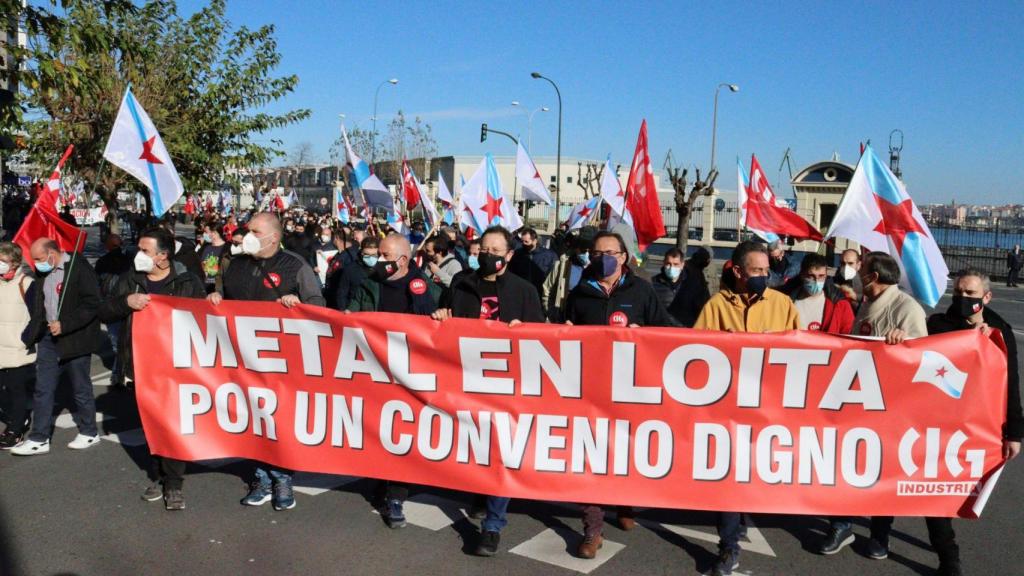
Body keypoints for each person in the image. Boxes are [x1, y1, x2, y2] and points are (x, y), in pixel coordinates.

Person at [432, 226, 544, 556]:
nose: (489, 255)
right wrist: (440, 316)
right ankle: (480, 495)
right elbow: (444, 318)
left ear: (509, 255)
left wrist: (525, 331)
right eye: (485, 249)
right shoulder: (461, 282)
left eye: (497, 250)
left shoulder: (524, 290)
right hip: (466, 380)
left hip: (507, 385)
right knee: (475, 446)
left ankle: (493, 525)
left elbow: (541, 334)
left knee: (501, 451)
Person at [564, 231, 676, 559]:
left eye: (609, 252)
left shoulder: (642, 291)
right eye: (596, 253)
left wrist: (647, 336)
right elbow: (560, 331)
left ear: (624, 256)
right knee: (590, 458)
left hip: (630, 391)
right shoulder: (579, 293)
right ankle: (592, 529)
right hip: (590, 391)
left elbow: (667, 333)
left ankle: (625, 501)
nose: (602, 259)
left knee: (624, 454)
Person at [694, 241, 800, 576]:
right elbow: (695, 353)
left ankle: (740, 519)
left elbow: (804, 356)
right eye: (757, 271)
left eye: (767, 271)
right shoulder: (716, 306)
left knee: (751, 475)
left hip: (768, 411)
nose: (764, 276)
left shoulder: (783, 304)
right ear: (738, 271)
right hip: (726, 410)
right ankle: (728, 546)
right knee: (727, 477)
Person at [208, 213, 325, 511]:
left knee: (278, 419)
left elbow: (318, 305)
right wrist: (216, 297)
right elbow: (223, 294)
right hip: (243, 357)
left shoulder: (295, 265)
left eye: (254, 231)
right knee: (253, 417)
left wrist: (297, 306)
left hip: (283, 359)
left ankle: (282, 476)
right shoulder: (235, 264)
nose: (246, 235)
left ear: (272, 237)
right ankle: (260, 476)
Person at [817, 251, 927, 561]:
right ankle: (841, 524)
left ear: (873, 277)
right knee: (847, 466)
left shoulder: (906, 309)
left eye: (860, 269)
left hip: (891, 407)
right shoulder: (866, 303)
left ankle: (880, 534)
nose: (854, 272)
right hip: (858, 402)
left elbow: (923, 361)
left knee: (883, 471)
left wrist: (904, 344)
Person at [918, 268, 1022, 576]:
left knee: (964, 490)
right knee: (933, 492)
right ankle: (948, 555)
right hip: (938, 424)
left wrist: (1014, 432)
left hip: (979, 427)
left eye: (971, 294)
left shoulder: (999, 331)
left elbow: (1010, 383)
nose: (963, 298)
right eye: (959, 292)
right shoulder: (935, 325)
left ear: (986, 297)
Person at [98, 227, 205, 510]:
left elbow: (203, 318)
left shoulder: (187, 281)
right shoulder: (131, 280)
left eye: (145, 251)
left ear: (162, 256)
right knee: (153, 424)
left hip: (178, 365)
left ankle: (173, 484)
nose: (138, 255)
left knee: (172, 424)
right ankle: (159, 473)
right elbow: (105, 310)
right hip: (140, 365)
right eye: (138, 249)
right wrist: (126, 302)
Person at [348, 233, 439, 528]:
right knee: (377, 428)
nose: (378, 259)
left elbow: (440, 327)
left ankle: (396, 495)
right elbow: (352, 314)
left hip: (409, 375)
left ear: (402, 260)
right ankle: (383, 479)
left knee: (400, 430)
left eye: (385, 256)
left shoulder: (425, 289)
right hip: (374, 370)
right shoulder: (369, 284)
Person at [12, 238, 103, 456]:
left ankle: (89, 432)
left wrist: (66, 324)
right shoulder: (43, 271)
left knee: (80, 387)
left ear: (53, 253)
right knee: (43, 388)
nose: (36, 263)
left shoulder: (78, 269)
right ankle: (39, 438)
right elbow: (40, 303)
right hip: (47, 338)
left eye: (39, 259)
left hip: (75, 338)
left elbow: (92, 303)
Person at [0, 242, 36, 449]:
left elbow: (36, 317)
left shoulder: (26, 283)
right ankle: (17, 419)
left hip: (17, 350)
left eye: (4, 261)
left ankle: (15, 429)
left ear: (15, 262)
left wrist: (24, 339)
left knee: (16, 391)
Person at [93, 234, 132, 389]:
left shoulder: (105, 262)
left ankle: (120, 373)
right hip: (120, 306)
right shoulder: (127, 260)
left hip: (115, 307)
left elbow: (97, 285)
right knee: (122, 343)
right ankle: (120, 373)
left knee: (119, 343)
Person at [791, 253, 855, 334]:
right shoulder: (787, 301)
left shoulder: (839, 303)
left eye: (821, 276)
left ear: (826, 276)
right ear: (802, 275)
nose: (817, 281)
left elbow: (850, 335)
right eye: (811, 276)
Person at [542, 227, 594, 323]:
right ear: (576, 248)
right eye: (583, 250)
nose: (586, 254)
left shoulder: (598, 267)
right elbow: (547, 289)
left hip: (588, 322)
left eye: (590, 251)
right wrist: (552, 313)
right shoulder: (562, 264)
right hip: (563, 320)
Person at [652, 247, 712, 328]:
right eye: (668, 264)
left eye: (675, 264)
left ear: (682, 264)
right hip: (663, 332)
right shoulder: (653, 284)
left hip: (687, 332)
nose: (671, 267)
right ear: (663, 263)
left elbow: (703, 310)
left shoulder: (693, 284)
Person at [331, 237, 379, 311]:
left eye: (373, 255)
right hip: (353, 312)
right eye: (366, 254)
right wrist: (344, 311)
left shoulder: (382, 269)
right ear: (361, 252)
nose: (370, 258)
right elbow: (342, 294)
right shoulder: (350, 270)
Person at [508, 227, 557, 298]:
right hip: (521, 292)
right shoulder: (517, 254)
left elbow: (553, 275)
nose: (523, 244)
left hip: (540, 292)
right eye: (522, 241)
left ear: (535, 241)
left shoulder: (549, 255)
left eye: (526, 241)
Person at [198, 220, 227, 293]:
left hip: (217, 288)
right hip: (203, 285)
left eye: (212, 232)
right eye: (209, 232)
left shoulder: (226, 248)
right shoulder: (206, 247)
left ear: (218, 233)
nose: (209, 234)